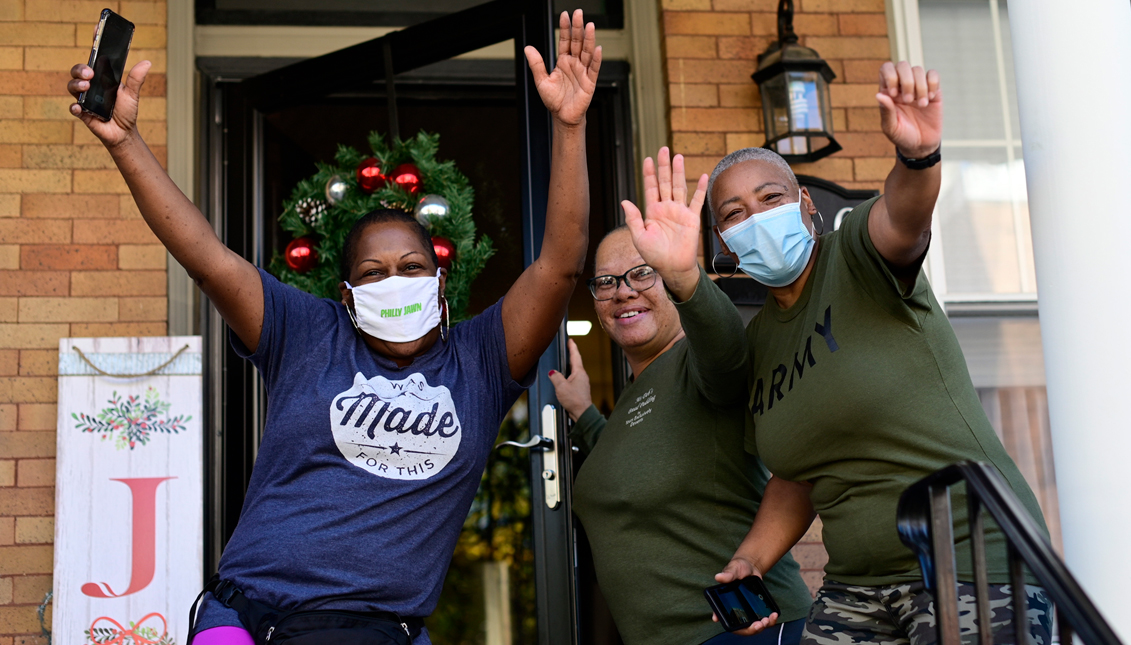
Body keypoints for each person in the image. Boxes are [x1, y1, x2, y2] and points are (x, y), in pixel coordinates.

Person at [67, 11, 602, 645]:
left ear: (439, 280)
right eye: (372, 272)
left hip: (374, 629)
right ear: (346, 295)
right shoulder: (308, 332)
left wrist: (569, 129)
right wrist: (125, 142)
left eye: (411, 266)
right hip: (246, 615)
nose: (393, 279)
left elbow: (560, 266)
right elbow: (208, 258)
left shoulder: (481, 360)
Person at [628, 62, 1053, 644]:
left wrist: (918, 159)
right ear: (724, 244)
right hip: (857, 585)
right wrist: (750, 559)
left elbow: (903, 220)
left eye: (770, 198)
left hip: (970, 559)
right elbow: (795, 477)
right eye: (733, 216)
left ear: (806, 205)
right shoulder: (761, 344)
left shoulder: (855, 255)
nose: (755, 219)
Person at [550, 148, 813, 645]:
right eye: (606, 282)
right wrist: (584, 412)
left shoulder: (701, 364)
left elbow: (727, 349)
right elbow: (637, 458)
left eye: (643, 272)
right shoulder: (635, 395)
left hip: (742, 632)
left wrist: (686, 276)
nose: (622, 291)